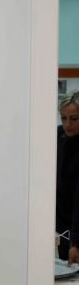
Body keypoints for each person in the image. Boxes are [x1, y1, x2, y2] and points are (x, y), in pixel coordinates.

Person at [57, 90, 79, 264]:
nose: (67, 124)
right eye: (63, 118)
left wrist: (76, 241)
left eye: (74, 119)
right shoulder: (57, 136)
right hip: (61, 223)